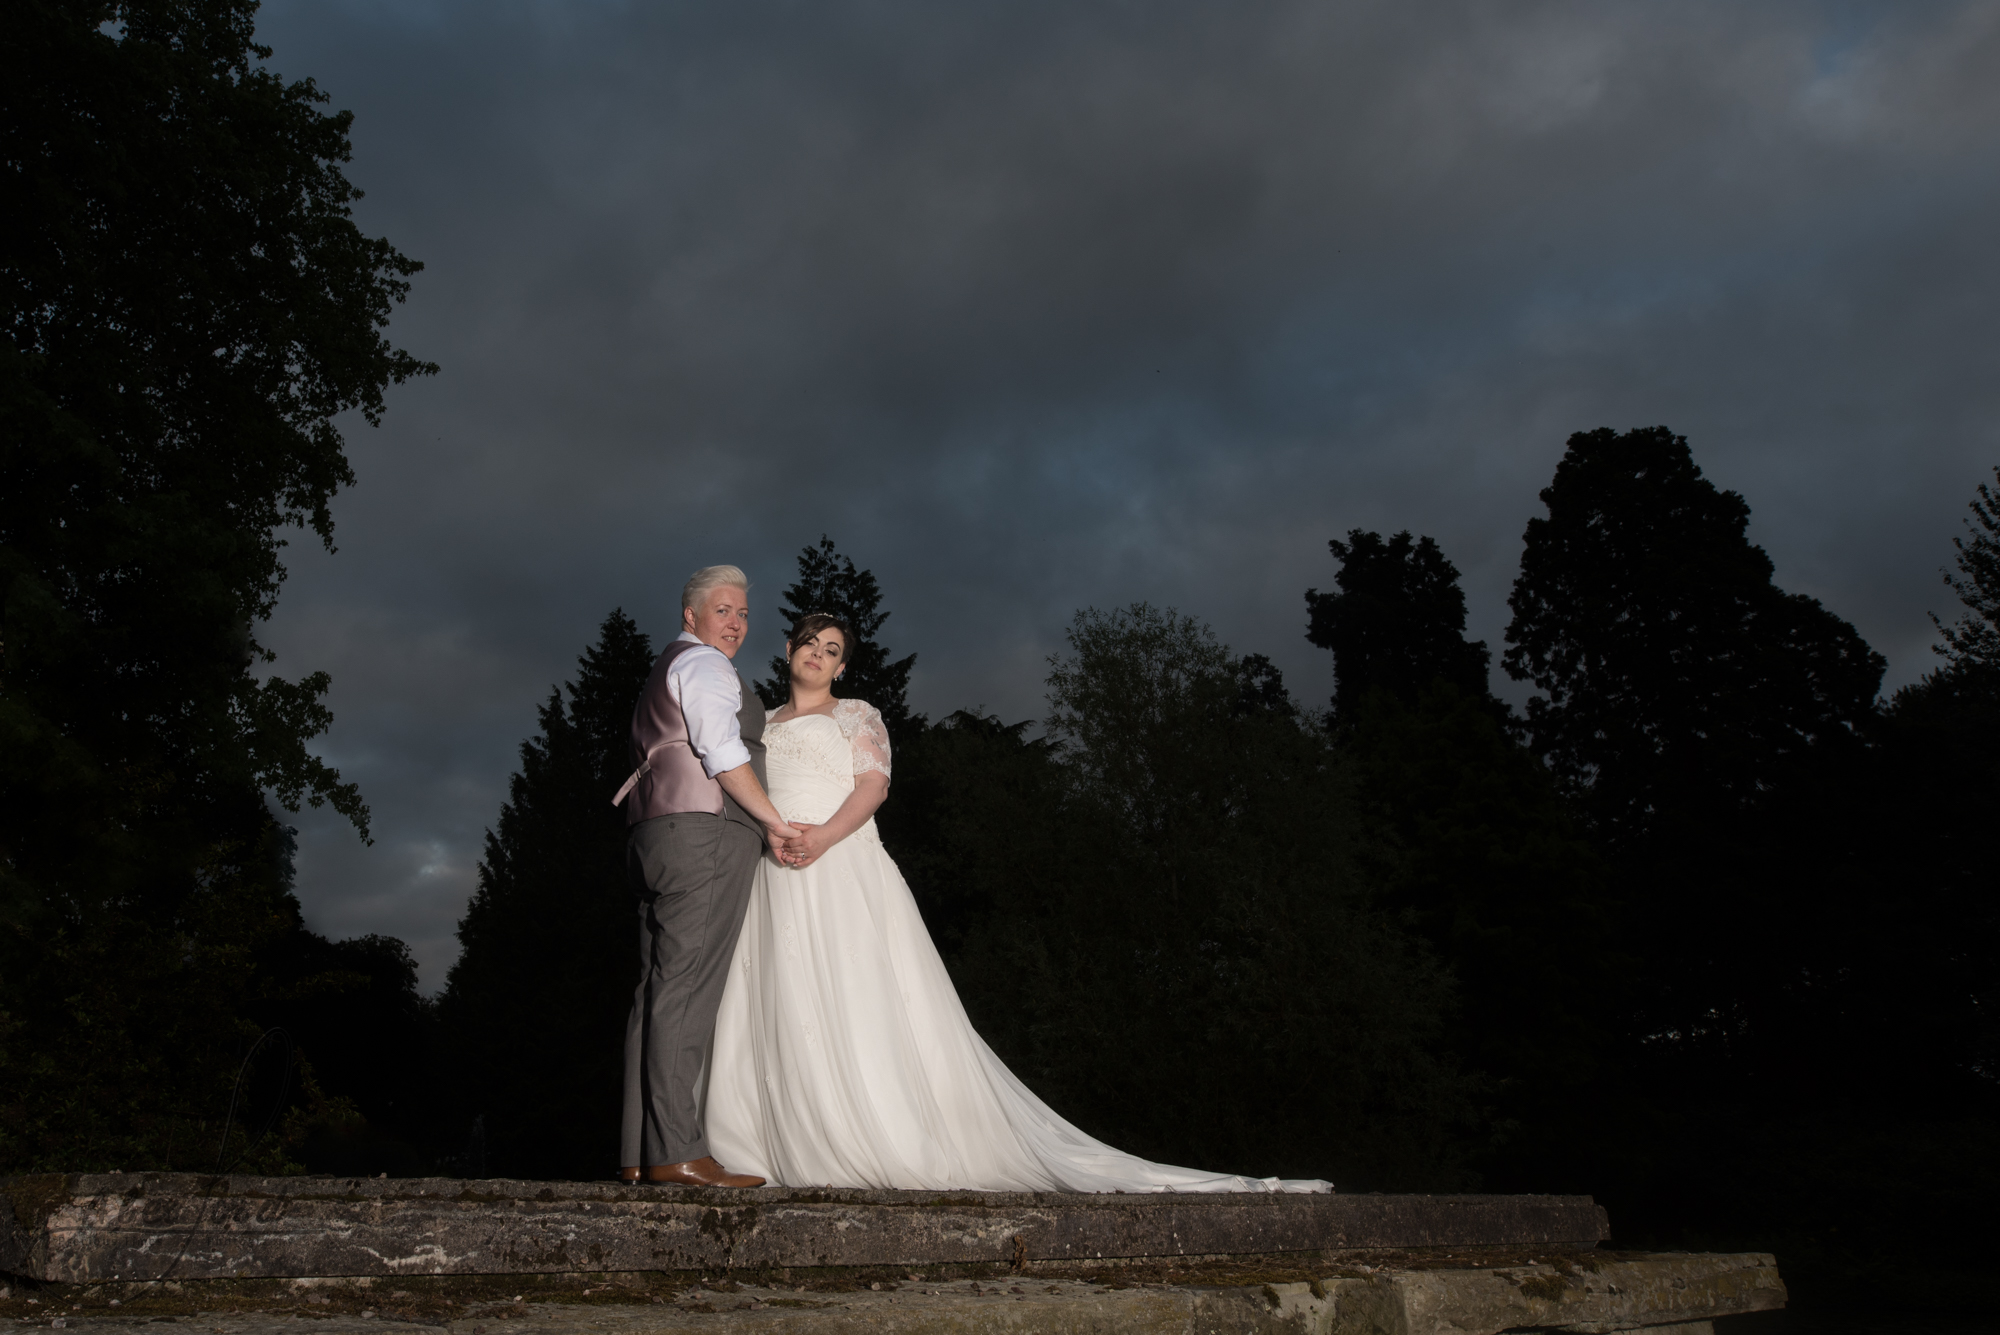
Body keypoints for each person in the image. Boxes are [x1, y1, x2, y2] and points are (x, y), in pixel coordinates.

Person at [705, 612, 1331, 1193]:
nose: (818, 655)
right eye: (810, 644)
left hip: (840, 862)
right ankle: (782, 1136)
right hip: (777, 867)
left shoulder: (858, 715)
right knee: (784, 997)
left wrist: (822, 839)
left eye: (832, 650)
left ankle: (875, 1132)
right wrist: (777, 835)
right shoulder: (760, 724)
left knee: (859, 997)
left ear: (843, 667)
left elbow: (874, 786)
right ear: (789, 650)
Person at [613, 565, 802, 1187]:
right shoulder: (705, 666)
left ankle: (641, 1153)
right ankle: (677, 1152)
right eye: (724, 611)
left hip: (655, 837)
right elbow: (722, 750)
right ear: (690, 617)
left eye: (744, 614)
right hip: (707, 835)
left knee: (657, 993)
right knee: (686, 991)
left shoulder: (664, 668)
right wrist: (773, 822)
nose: (737, 623)